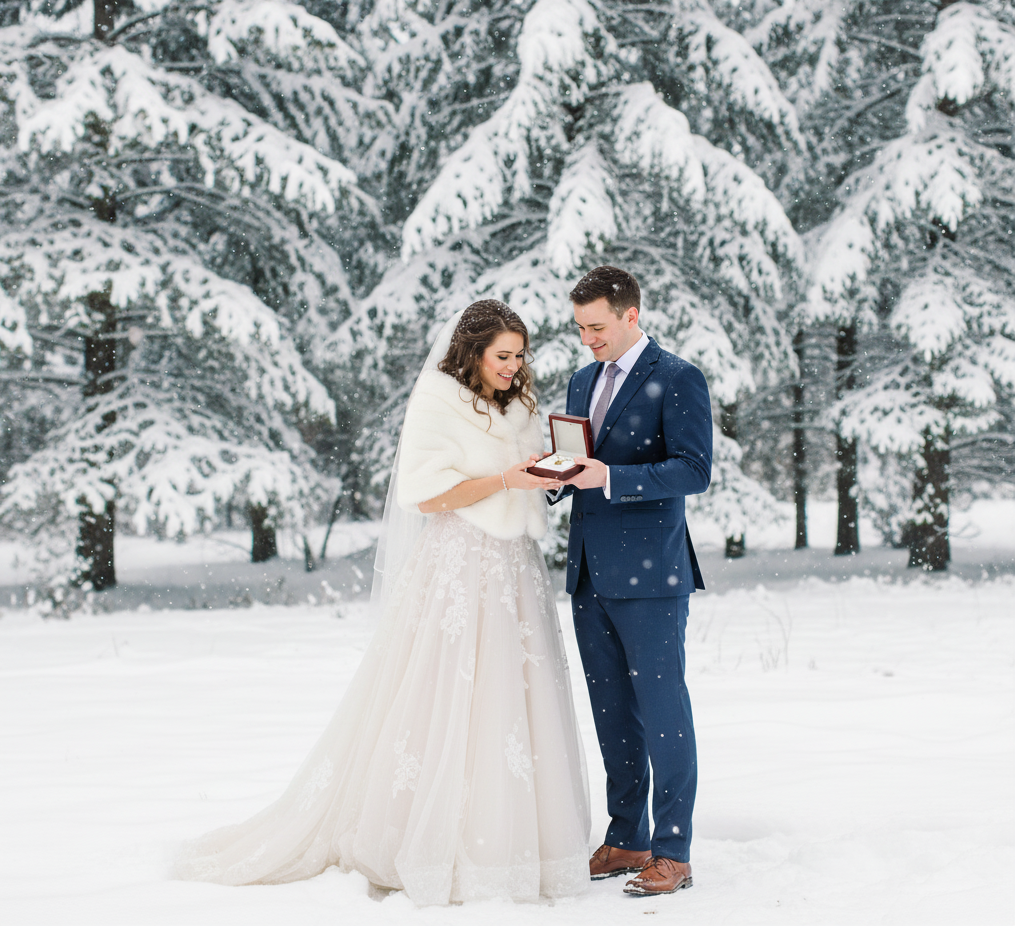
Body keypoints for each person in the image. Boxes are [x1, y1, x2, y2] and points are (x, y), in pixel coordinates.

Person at [175, 300, 590, 906]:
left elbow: (521, 478)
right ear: (472, 351)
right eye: (503, 356)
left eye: (520, 356)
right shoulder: (438, 402)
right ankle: (427, 836)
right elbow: (425, 497)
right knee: (445, 696)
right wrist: (506, 480)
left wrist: (546, 476)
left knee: (511, 696)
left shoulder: (519, 403)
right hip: (459, 566)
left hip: (515, 569)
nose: (514, 366)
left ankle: (509, 841)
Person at [553, 266, 712, 897]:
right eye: (579, 328)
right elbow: (581, 463)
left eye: (596, 326)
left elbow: (693, 470)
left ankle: (673, 851)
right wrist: (556, 477)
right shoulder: (581, 379)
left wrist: (613, 478)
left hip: (651, 576)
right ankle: (627, 837)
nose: (587, 339)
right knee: (612, 711)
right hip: (588, 571)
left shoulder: (677, 377)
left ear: (630, 315)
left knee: (663, 711)